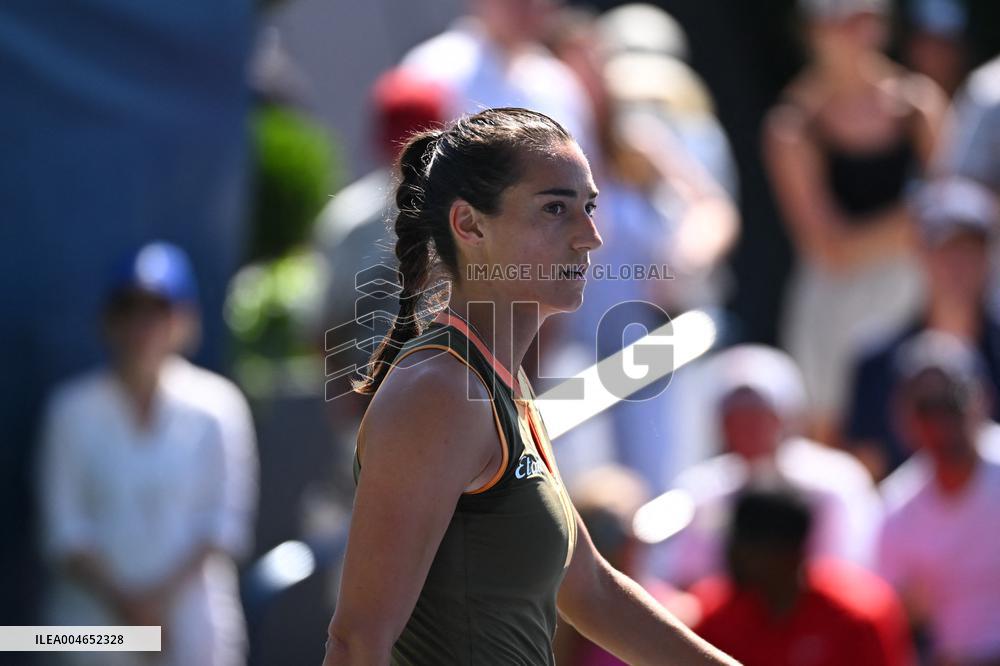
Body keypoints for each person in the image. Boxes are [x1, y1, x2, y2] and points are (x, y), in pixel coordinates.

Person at [321, 108, 738, 665]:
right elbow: (355, 643)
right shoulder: (439, 393)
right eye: (554, 209)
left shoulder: (497, 383)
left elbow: (591, 589)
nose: (590, 237)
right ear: (469, 226)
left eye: (588, 207)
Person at [37, 242, 259, 666]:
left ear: (185, 321)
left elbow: (224, 524)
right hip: (88, 633)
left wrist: (155, 608)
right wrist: (130, 609)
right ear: (109, 320)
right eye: (129, 309)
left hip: (192, 632)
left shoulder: (220, 407)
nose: (143, 326)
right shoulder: (69, 411)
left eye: (158, 309)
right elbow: (62, 530)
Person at [764, 0, 948, 444]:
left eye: (865, 18)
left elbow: (952, 213)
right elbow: (829, 248)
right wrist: (912, 223)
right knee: (833, 437)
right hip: (836, 305)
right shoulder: (793, 124)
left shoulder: (918, 104)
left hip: (917, 294)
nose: (855, 33)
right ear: (813, 31)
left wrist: (904, 231)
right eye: (841, 22)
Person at [661, 345, 882, 588]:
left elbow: (848, 573)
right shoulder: (700, 491)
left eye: (756, 413)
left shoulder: (837, 481)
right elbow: (688, 579)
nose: (746, 426)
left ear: (785, 416)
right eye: (735, 415)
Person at [843, 176, 1000, 479]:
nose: (958, 264)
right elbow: (868, 474)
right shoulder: (875, 362)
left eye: (971, 249)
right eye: (946, 250)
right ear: (921, 254)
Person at [877, 330, 1000, 664]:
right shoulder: (897, 506)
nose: (940, 421)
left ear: (982, 398)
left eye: (952, 401)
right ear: (903, 418)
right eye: (925, 407)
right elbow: (897, 619)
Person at [691, 488, 914, 666]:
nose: (732, 555)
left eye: (747, 545)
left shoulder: (858, 616)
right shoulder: (716, 612)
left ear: (788, 553)